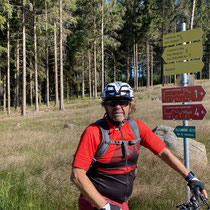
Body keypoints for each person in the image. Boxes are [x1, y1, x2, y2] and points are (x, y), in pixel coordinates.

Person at [70, 81, 208, 210]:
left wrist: (191, 178)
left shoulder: (136, 128)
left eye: (123, 102)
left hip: (121, 203)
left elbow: (163, 152)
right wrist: (105, 206)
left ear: (130, 105)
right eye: (112, 102)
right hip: (96, 203)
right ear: (105, 105)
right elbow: (77, 175)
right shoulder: (94, 132)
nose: (118, 107)